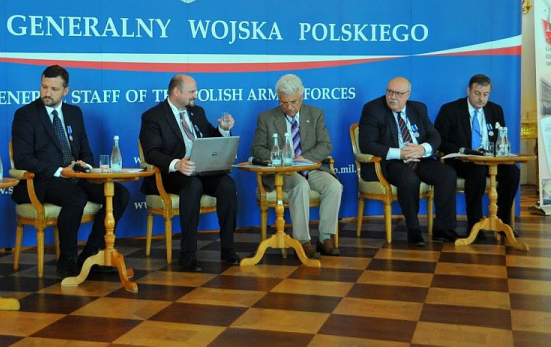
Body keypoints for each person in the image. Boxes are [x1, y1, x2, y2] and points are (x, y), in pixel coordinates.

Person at [11, 65, 130, 277]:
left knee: (120, 194)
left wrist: (87, 166)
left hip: (77, 175)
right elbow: (22, 158)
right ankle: (67, 261)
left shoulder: (74, 113)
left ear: (65, 90)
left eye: (54, 89)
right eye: (44, 87)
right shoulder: (25, 115)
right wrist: (59, 171)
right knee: (76, 197)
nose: (47, 93)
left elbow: (85, 147)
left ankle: (89, 256)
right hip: (45, 179)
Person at [139, 74, 239, 271]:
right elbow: (151, 153)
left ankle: (228, 247)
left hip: (201, 170)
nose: (196, 95)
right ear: (176, 91)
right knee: (193, 186)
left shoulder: (197, 112)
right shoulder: (153, 116)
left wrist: (223, 129)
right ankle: (188, 253)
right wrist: (177, 164)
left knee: (227, 184)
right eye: (192, 92)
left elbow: (211, 140)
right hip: (173, 174)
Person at [250, 74, 342, 257]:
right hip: (283, 172)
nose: (289, 107)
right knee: (301, 185)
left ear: (302, 96)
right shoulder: (266, 118)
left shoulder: (315, 114)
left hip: (309, 167)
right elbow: (257, 149)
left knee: (334, 186)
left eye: (293, 102)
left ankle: (324, 238)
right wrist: (278, 157)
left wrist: (303, 158)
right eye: (284, 103)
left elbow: (326, 145)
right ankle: (302, 241)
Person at [358, 76, 458, 246]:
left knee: (447, 174)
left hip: (418, 158)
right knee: (410, 179)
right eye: (389, 92)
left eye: (398, 93)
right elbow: (367, 144)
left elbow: (434, 136)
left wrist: (423, 148)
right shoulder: (373, 109)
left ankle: (443, 228)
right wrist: (400, 153)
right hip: (390, 161)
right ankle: (414, 229)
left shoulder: (418, 108)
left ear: (408, 95)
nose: (393, 97)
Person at [434, 74, 520, 239]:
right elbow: (440, 141)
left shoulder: (495, 110)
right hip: (462, 160)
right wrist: (464, 151)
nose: (481, 98)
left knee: (513, 172)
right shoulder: (450, 109)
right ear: (468, 91)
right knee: (477, 171)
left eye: (485, 94)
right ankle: (475, 224)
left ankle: (502, 223)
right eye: (477, 93)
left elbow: (501, 137)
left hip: (490, 159)